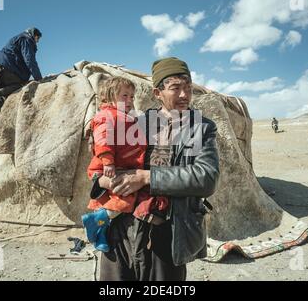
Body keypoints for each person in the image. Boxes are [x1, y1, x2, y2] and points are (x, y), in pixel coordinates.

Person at [91, 57, 220, 281]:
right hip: (120, 226)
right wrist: (101, 180)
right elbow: (99, 163)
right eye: (175, 88)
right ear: (157, 92)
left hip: (167, 233)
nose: (184, 95)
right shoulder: (136, 122)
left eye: (188, 88)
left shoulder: (200, 127)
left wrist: (146, 177)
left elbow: (206, 178)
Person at [82, 77, 168, 253]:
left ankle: (100, 233)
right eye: (124, 96)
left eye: (132, 97)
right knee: (125, 199)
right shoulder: (108, 116)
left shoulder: (123, 117)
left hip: (119, 167)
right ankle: (96, 220)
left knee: (113, 200)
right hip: (111, 168)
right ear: (109, 96)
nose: (129, 100)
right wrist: (108, 162)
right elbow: (102, 139)